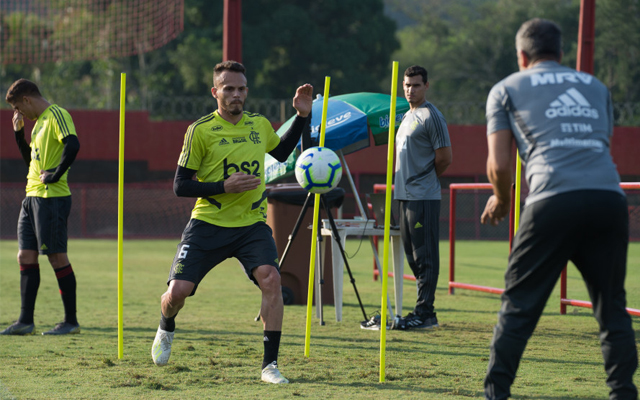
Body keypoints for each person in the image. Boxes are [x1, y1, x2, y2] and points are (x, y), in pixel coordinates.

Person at [481, 18, 638, 400]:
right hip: (608, 198)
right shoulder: (596, 87)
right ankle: (623, 393)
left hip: (552, 201)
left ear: (521, 55)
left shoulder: (506, 89)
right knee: (612, 307)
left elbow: (500, 166)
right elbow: (600, 146)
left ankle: (495, 393)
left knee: (519, 307)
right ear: (561, 53)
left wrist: (501, 199)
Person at [151, 61, 312, 384]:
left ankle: (270, 366)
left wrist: (302, 117)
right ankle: (166, 326)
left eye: (241, 89)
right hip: (208, 224)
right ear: (215, 92)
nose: (236, 94)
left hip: (251, 225)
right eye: (228, 89)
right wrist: (222, 187)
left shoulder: (259, 124)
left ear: (246, 92)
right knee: (177, 293)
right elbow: (180, 186)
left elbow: (281, 153)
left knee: (271, 280)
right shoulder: (200, 131)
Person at [2, 79, 81, 336]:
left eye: (18, 107)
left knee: (57, 257)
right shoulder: (37, 126)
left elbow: (73, 144)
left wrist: (56, 174)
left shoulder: (56, 114)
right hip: (31, 198)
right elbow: (31, 163)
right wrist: (18, 134)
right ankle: (25, 321)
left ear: (26, 99)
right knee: (25, 256)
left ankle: (71, 322)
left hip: (52, 198)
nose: (19, 113)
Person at [388, 65, 452, 330]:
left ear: (426, 86)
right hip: (403, 197)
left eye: (415, 85)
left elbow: (445, 158)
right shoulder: (406, 116)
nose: (409, 90)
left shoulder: (431, 116)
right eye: (406, 85)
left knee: (425, 255)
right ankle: (421, 309)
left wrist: (424, 181)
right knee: (412, 256)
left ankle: (425, 313)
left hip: (422, 197)